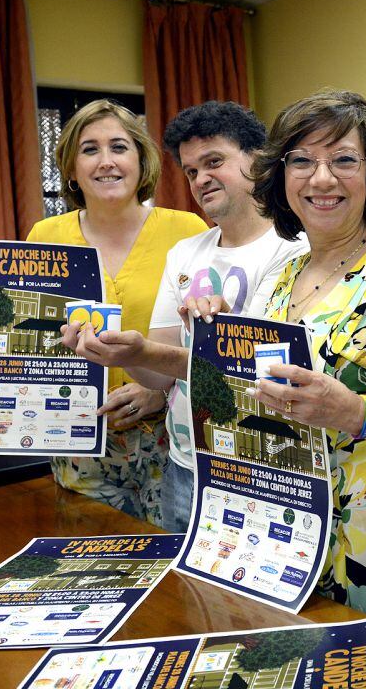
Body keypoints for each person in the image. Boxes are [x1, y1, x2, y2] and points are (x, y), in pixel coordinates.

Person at [0, 100, 208, 526]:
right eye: (90, 149)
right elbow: (22, 336)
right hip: (78, 439)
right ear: (70, 168)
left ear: (142, 161)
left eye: (120, 147)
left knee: (173, 575)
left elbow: (206, 341)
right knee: (98, 564)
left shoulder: (190, 232)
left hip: (172, 441)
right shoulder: (46, 236)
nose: (106, 161)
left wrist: (156, 392)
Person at [234, 89, 366, 624]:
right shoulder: (281, 278)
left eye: (344, 160)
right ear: (281, 177)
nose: (321, 178)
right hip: (289, 525)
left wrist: (352, 410)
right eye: (301, 161)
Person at [59, 101, 308, 533]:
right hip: (184, 464)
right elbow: (158, 373)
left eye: (214, 162)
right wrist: (124, 354)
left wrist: (216, 342)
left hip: (257, 468)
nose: (201, 179)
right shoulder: (187, 253)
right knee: (179, 596)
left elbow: (259, 375)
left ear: (257, 159)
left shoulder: (296, 251)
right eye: (191, 171)